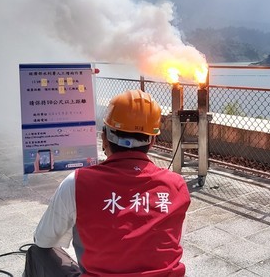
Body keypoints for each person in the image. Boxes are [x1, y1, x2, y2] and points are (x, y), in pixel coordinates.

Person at [24, 89, 191, 276]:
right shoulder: (176, 185)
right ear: (152, 141)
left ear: (104, 137)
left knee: (37, 252)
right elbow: (174, 242)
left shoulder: (78, 183)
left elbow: (43, 239)